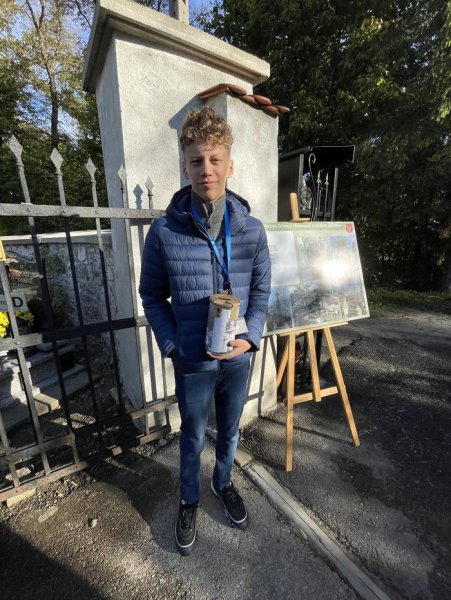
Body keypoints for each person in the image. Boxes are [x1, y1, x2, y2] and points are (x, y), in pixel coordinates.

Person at [139, 106, 271, 556]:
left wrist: (250, 337)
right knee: (193, 436)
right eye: (196, 160)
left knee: (230, 431)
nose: (206, 169)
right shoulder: (163, 233)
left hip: (238, 357)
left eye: (215, 159)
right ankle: (189, 498)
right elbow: (151, 295)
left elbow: (262, 289)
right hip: (192, 360)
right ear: (185, 167)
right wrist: (172, 344)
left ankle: (223, 482)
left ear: (230, 166)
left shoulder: (252, 230)